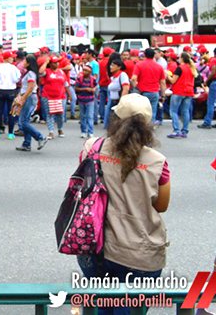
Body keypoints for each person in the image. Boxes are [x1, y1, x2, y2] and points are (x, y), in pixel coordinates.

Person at [76, 95, 170, 315]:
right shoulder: (157, 161)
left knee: (101, 306)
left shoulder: (92, 147)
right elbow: (162, 205)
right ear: (147, 126)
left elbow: (81, 186)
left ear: (115, 120)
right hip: (139, 252)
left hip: (95, 245)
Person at [13, 56, 47, 151]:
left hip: (29, 97)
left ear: (28, 63)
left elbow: (30, 88)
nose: (23, 62)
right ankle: (26, 143)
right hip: (28, 97)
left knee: (23, 122)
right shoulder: (30, 73)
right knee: (25, 121)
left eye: (25, 61)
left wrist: (22, 98)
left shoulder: (31, 74)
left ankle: (40, 137)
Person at [132, 48, 166, 129]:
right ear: (154, 55)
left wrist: (136, 86)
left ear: (144, 54)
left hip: (143, 91)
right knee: (152, 112)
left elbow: (133, 78)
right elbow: (163, 82)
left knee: (141, 112)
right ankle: (150, 129)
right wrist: (163, 95)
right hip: (155, 92)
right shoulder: (159, 67)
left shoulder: (139, 65)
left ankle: (141, 129)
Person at [0, 50, 21, 140]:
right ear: (8, 58)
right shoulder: (14, 68)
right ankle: (10, 133)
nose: (13, 59)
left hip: (0, 91)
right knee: (12, 112)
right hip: (11, 91)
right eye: (12, 57)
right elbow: (17, 79)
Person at [168, 51, 197, 138]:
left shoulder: (180, 68)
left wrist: (167, 75)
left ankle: (176, 130)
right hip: (189, 91)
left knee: (173, 111)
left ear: (182, 59)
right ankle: (184, 130)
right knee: (185, 111)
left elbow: (173, 80)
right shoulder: (191, 69)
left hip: (179, 90)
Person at [40, 55, 68, 139]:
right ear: (50, 64)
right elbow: (41, 72)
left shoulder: (61, 72)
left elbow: (66, 84)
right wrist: (45, 62)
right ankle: (51, 131)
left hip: (61, 96)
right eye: (54, 63)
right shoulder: (47, 71)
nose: (56, 64)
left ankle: (60, 129)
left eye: (57, 62)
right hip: (48, 96)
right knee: (49, 114)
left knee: (60, 114)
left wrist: (69, 95)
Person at [105, 59, 130, 129]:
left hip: (118, 102)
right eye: (111, 65)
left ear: (119, 67)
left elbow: (125, 88)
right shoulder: (113, 77)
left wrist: (121, 102)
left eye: (113, 65)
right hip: (113, 101)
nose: (111, 67)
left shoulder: (122, 75)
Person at [75, 64, 98, 139]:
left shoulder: (93, 79)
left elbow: (96, 85)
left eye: (86, 71)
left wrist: (94, 89)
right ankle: (83, 131)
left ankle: (90, 132)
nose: (84, 72)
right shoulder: (79, 79)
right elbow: (76, 88)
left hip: (90, 99)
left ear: (89, 72)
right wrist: (86, 89)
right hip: (81, 99)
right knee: (83, 116)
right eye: (83, 70)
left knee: (90, 116)